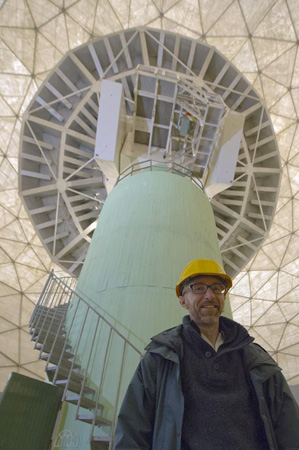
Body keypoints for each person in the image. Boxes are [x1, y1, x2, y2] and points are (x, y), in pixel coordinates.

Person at [113, 259, 299, 450]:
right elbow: (132, 430)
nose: (210, 295)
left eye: (217, 288)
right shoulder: (161, 358)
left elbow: (289, 429)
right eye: (199, 288)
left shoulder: (257, 359)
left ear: (223, 298)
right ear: (182, 300)